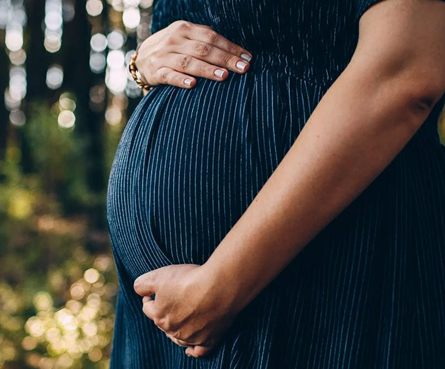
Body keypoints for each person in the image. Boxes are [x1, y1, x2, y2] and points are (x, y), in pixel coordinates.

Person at [105, 0, 445, 367]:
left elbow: (407, 71)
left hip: (328, 266)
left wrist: (220, 286)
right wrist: (142, 62)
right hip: (161, 316)